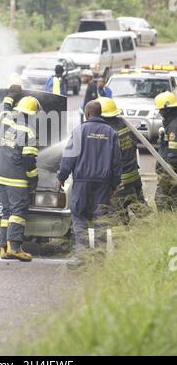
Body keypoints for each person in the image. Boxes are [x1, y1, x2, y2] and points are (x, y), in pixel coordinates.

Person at [57, 100, 122, 264]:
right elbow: (117, 161)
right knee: (101, 217)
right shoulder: (111, 132)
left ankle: (82, 256)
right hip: (104, 183)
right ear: (100, 113)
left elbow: (69, 157)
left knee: (79, 216)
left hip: (82, 181)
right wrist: (115, 184)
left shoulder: (79, 131)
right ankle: (100, 257)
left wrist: (61, 177)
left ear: (87, 114)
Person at [0, 93, 40, 262]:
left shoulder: (5, 120)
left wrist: (10, 95)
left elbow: (4, 109)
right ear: (33, 114)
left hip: (0, 174)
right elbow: (28, 161)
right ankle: (15, 247)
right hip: (16, 178)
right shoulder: (29, 131)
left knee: (6, 211)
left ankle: (3, 248)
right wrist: (34, 178)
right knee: (18, 211)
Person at [99, 97, 150, 223]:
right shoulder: (125, 125)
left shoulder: (107, 132)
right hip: (133, 174)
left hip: (120, 179)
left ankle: (126, 236)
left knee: (118, 213)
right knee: (140, 207)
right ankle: (152, 229)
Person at [154, 91, 177, 212]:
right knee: (173, 198)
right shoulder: (171, 122)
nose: (159, 113)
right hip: (170, 167)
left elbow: (173, 153)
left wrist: (166, 170)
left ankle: (165, 221)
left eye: (161, 110)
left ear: (168, 109)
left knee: (161, 199)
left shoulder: (174, 125)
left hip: (171, 168)